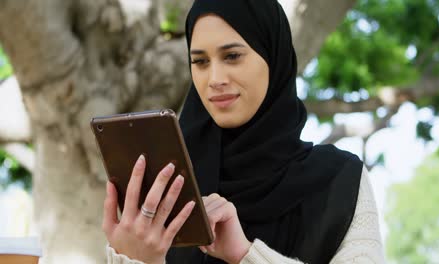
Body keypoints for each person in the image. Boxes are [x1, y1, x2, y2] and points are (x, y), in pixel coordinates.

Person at [103, 0, 386, 263]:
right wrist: (134, 260)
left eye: (232, 56)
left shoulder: (339, 181)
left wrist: (245, 254)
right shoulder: (170, 185)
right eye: (200, 61)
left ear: (272, 57)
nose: (214, 79)